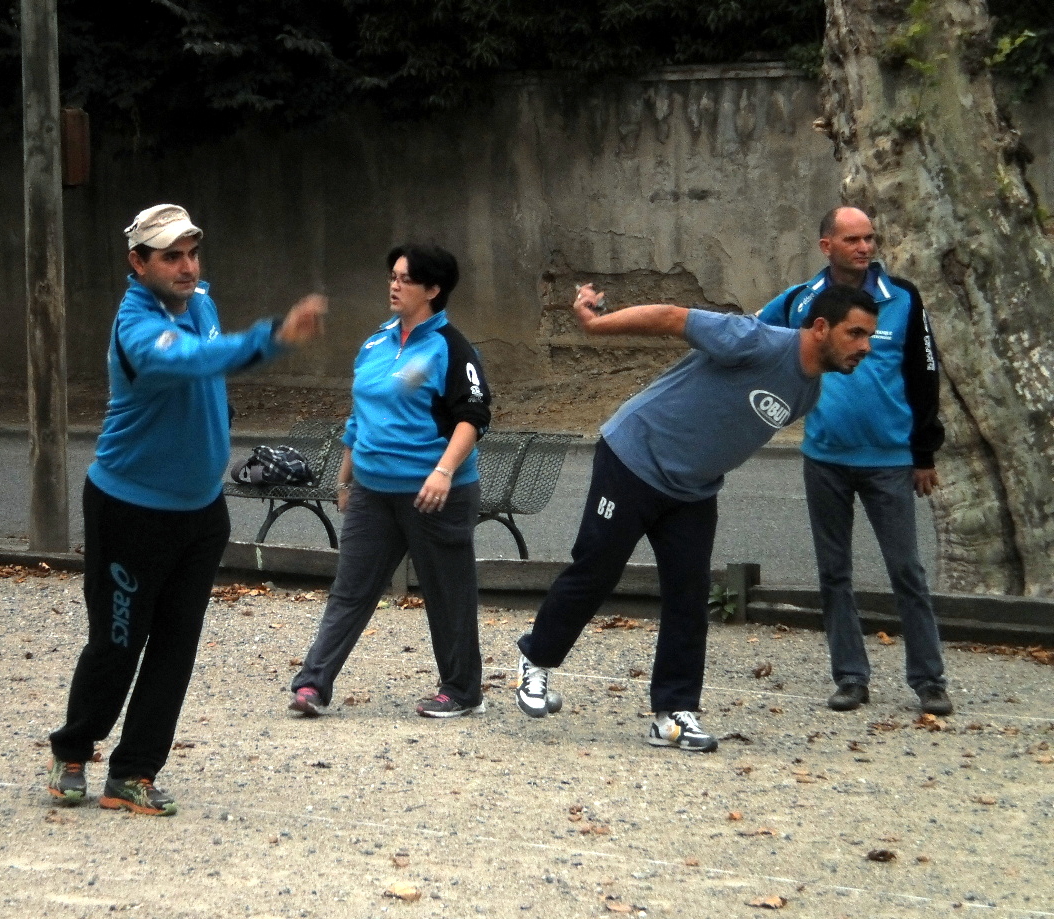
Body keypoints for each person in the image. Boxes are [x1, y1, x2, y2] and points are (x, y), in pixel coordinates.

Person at [513, 283, 880, 752]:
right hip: (633, 458)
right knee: (596, 570)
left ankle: (673, 714)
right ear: (822, 327)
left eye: (869, 335)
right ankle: (535, 658)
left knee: (689, 596)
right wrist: (596, 323)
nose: (866, 347)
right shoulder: (755, 340)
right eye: (856, 334)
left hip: (691, 490)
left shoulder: (808, 392)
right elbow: (670, 317)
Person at [47, 203, 326, 814]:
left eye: (192, 253)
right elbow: (194, 359)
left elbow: (212, 365)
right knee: (119, 643)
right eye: (171, 256)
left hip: (201, 512)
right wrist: (271, 337)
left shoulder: (199, 301)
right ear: (137, 262)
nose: (186, 266)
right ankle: (73, 749)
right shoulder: (136, 327)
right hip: (129, 510)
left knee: (175, 648)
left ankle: (134, 773)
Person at [758, 206, 951, 716]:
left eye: (870, 238)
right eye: (853, 239)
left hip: (889, 460)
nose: (865, 247)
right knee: (834, 573)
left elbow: (924, 377)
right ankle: (850, 677)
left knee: (906, 569)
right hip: (824, 458)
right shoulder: (803, 301)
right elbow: (755, 336)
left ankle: (929, 680)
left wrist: (924, 451)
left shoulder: (904, 299)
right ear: (827, 246)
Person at [288, 244, 491, 719]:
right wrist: (344, 479)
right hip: (373, 493)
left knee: (447, 593)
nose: (394, 285)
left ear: (433, 290)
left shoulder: (452, 347)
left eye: (405, 279)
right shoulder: (376, 341)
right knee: (351, 588)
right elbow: (361, 415)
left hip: (435, 494)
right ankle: (312, 684)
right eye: (392, 276)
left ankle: (463, 691)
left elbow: (473, 417)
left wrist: (443, 472)